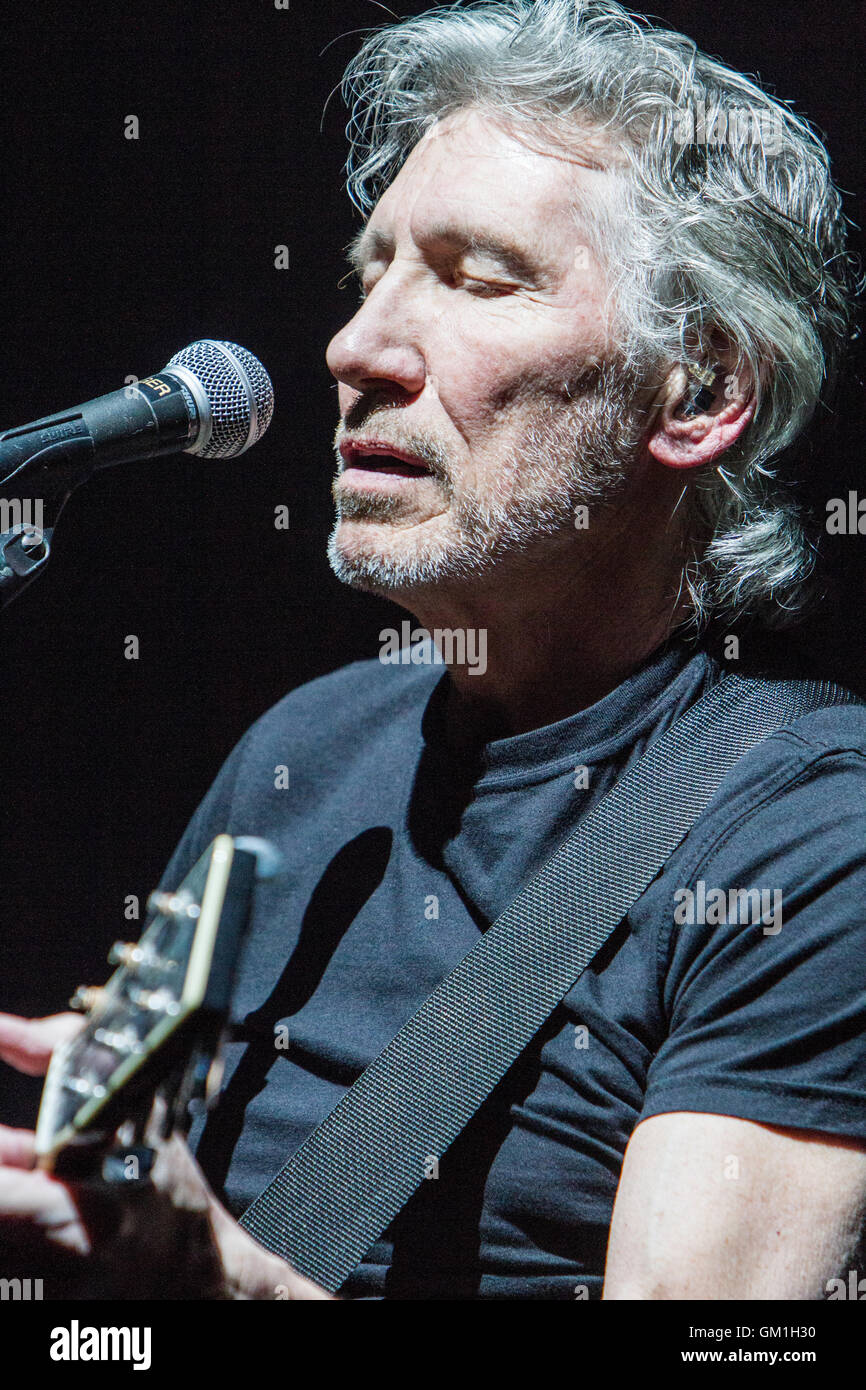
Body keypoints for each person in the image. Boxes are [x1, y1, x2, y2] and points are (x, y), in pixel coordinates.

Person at [1, 0, 865, 1300]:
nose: (354, 348)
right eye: (372, 271)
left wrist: (228, 1285)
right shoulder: (306, 750)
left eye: (474, 278)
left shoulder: (813, 843)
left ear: (695, 388)